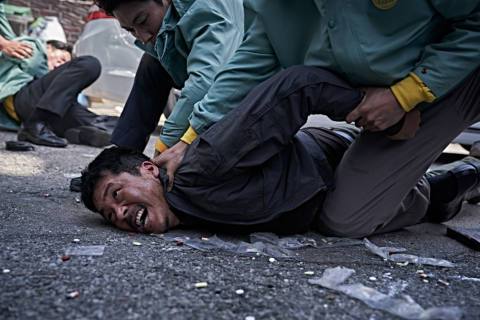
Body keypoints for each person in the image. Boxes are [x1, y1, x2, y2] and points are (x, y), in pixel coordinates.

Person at [152, 0, 480, 237]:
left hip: (457, 78)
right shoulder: (275, 8)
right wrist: (186, 140)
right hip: (384, 105)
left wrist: (405, 95)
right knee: (344, 219)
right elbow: (244, 72)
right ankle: (444, 189)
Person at [80, 67, 480, 236]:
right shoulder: (179, 204)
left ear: (150, 170)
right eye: (107, 213)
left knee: (360, 217)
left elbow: (295, 88)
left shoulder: (204, 164)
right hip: (311, 194)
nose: (118, 213)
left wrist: (384, 114)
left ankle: (455, 178)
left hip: (331, 166)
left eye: (116, 195)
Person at [94, 0, 244, 154]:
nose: (143, 37)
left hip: (254, 87)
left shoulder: (208, 8)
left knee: (195, 166)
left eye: (142, 20)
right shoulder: (171, 16)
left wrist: (165, 144)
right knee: (151, 62)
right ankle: (122, 155)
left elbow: (205, 82)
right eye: (131, 30)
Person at [0, 2, 111, 148]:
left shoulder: (55, 87)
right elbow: (27, 60)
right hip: (23, 99)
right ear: (49, 47)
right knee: (90, 64)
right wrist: (4, 44)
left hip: (41, 111)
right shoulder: (34, 49)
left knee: (106, 124)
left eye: (65, 63)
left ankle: (78, 132)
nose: (61, 65)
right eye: (62, 59)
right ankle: (36, 126)